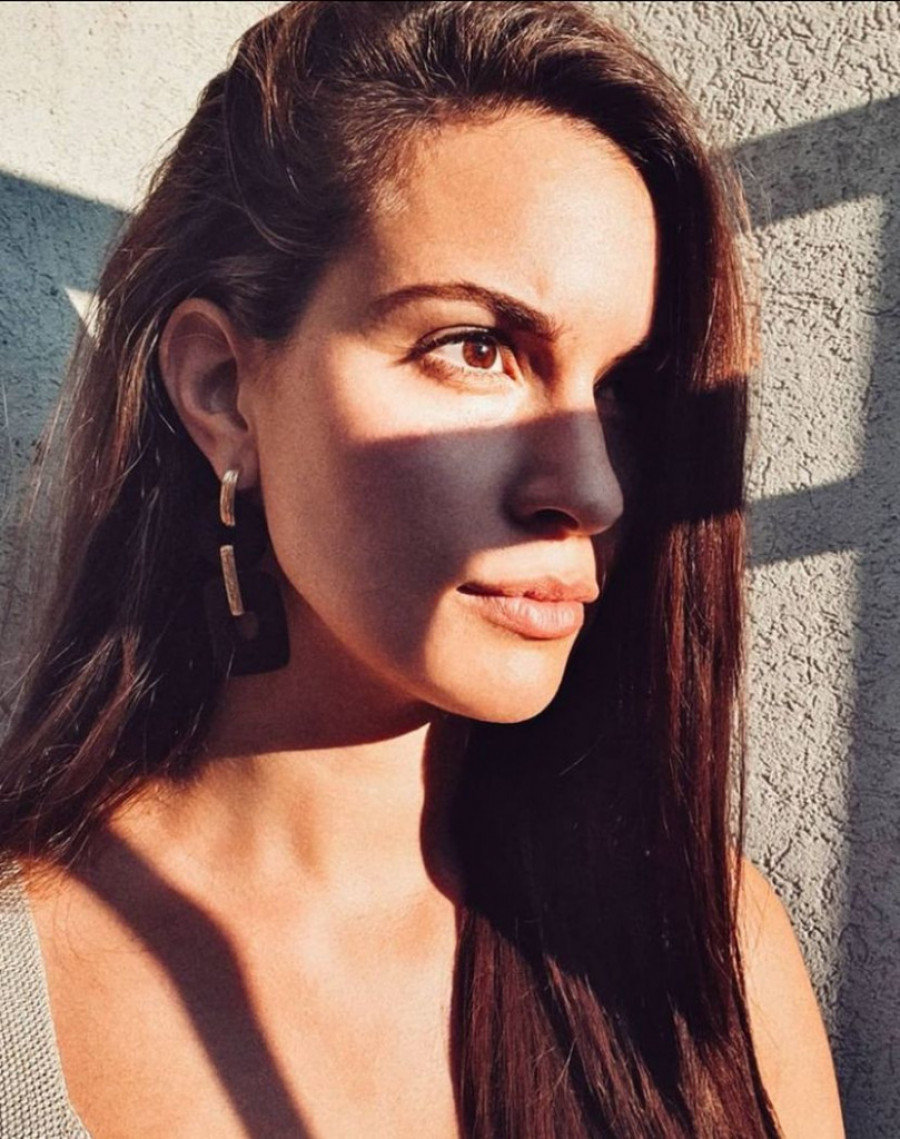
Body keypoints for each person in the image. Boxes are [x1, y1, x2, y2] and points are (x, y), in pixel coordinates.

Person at [0, 2, 845, 1136]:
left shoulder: (708, 949)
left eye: (620, 391)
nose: (591, 490)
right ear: (223, 390)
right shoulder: (23, 985)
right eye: (479, 348)